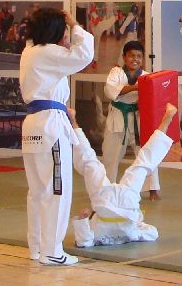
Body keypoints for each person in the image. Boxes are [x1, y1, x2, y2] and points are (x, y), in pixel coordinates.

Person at [19, 7, 95, 267]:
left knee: (37, 191)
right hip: (50, 126)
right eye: (62, 31)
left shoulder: (29, 52)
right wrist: (75, 25)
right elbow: (84, 54)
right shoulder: (47, 53)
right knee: (56, 189)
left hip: (33, 125)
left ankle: (38, 247)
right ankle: (52, 250)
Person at [69, 103, 175, 248]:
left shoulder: (132, 235)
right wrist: (83, 218)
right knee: (90, 163)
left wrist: (138, 221)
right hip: (104, 203)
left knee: (142, 164)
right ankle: (73, 122)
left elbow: (153, 233)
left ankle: (166, 120)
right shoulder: (97, 238)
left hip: (128, 205)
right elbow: (83, 241)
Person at [103, 40, 160, 198]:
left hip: (139, 116)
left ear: (143, 58)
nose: (135, 59)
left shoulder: (147, 76)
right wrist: (135, 87)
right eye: (131, 56)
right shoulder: (116, 72)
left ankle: (153, 188)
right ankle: (108, 187)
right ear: (124, 57)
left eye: (139, 56)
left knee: (147, 152)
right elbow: (111, 91)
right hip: (118, 116)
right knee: (111, 154)